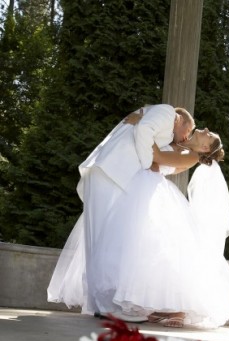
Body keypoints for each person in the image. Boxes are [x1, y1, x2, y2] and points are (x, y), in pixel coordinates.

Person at [48, 104, 196, 314]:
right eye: (187, 131)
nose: (185, 137)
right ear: (180, 120)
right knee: (101, 240)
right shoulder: (167, 112)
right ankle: (104, 305)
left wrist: (142, 116)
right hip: (110, 171)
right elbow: (145, 130)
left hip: (108, 172)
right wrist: (146, 163)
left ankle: (97, 304)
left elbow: (144, 131)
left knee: (100, 241)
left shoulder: (159, 121)